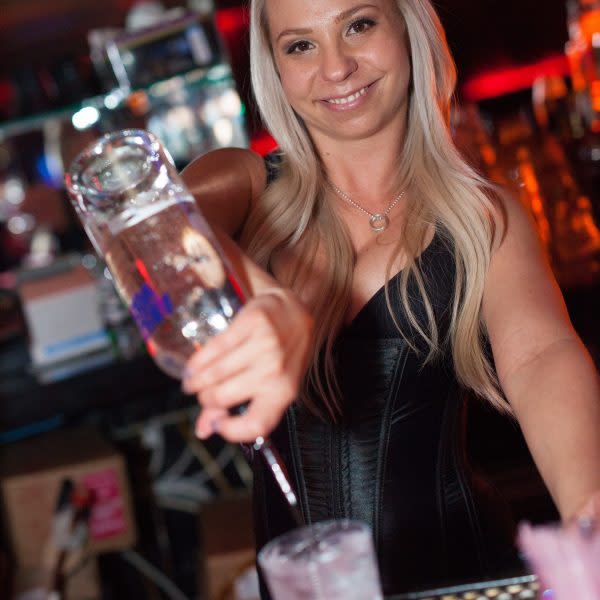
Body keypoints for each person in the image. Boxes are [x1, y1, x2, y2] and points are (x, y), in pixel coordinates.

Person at [180, 0, 600, 595]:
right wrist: (263, 300)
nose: (336, 67)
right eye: (300, 45)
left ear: (408, 28)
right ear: (272, 66)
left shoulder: (485, 218)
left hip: (465, 575)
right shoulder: (243, 186)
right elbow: (156, 235)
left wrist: (591, 526)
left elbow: (541, 361)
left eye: (358, 25)